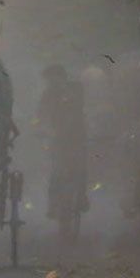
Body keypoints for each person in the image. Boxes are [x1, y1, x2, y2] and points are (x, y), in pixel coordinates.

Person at [37, 65, 88, 234]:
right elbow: (41, 114)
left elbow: (76, 108)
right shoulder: (48, 94)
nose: (52, 82)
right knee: (56, 171)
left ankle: (82, 197)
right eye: (50, 79)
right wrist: (41, 129)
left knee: (80, 169)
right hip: (58, 140)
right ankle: (53, 204)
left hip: (77, 138)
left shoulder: (75, 89)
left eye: (54, 78)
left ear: (62, 76)